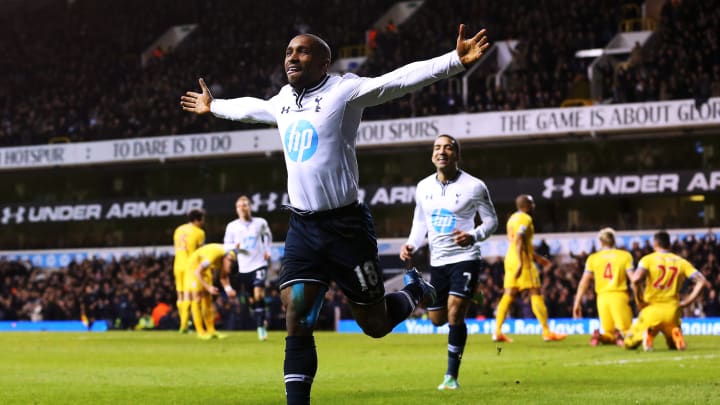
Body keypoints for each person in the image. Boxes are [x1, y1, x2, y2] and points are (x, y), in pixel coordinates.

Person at [181, 24, 490, 404]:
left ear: (324, 62)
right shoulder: (282, 100)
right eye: (290, 51)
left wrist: (453, 61)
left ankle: (414, 291)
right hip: (303, 227)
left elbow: (397, 81)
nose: (293, 57)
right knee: (296, 316)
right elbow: (252, 109)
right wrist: (216, 106)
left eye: (303, 52)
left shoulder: (344, 91)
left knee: (374, 325)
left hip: (347, 228)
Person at [399, 134, 497, 390]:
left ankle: (451, 376)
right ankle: (470, 295)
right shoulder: (423, 187)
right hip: (438, 261)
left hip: (465, 257)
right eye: (437, 147)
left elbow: (491, 221)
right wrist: (412, 244)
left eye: (447, 147)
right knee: (437, 320)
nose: (441, 151)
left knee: (455, 312)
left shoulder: (475, 186)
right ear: (432, 155)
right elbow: (420, 222)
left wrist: (473, 235)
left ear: (457, 154)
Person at [493, 195, 567, 343]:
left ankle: (497, 332)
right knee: (535, 292)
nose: (534, 206)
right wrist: (522, 263)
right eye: (532, 204)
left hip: (510, 258)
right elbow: (520, 239)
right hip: (522, 261)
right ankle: (547, 332)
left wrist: (538, 258)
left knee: (509, 294)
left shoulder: (512, 218)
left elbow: (518, 242)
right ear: (527, 206)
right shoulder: (525, 219)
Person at [624, 231, 710, 351]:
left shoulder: (648, 259)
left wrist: (639, 299)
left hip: (652, 309)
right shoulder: (681, 262)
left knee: (628, 342)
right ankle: (675, 333)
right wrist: (688, 302)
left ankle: (647, 334)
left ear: (655, 243)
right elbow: (702, 281)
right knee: (672, 345)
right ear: (669, 244)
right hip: (672, 311)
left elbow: (636, 279)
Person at [572, 227, 633, 346]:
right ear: (614, 240)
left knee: (609, 333)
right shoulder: (625, 256)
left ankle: (599, 336)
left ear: (600, 242)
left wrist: (577, 302)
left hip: (602, 298)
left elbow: (583, 282)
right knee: (627, 333)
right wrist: (638, 296)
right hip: (619, 296)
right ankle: (620, 336)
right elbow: (633, 280)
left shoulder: (593, 258)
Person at [224, 195, 273, 341]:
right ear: (236, 209)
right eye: (240, 206)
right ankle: (261, 319)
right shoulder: (232, 226)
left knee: (259, 294)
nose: (243, 208)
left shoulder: (260, 222)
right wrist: (234, 247)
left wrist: (267, 250)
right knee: (252, 300)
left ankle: (260, 328)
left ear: (250, 207)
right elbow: (226, 245)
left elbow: (268, 236)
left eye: (245, 205)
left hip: (259, 264)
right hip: (244, 268)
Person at [185, 243, 238, 340]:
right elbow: (197, 272)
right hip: (194, 266)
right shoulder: (214, 256)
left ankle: (211, 330)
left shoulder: (229, 259)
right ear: (227, 259)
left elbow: (223, 276)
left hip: (205, 270)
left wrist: (228, 289)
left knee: (208, 300)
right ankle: (200, 331)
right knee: (197, 297)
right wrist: (208, 287)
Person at [172, 208, 205, 333]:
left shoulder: (178, 229)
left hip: (177, 264)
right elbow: (200, 251)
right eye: (202, 219)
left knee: (180, 295)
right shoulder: (199, 232)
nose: (203, 222)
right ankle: (184, 325)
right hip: (189, 266)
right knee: (188, 295)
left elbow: (176, 247)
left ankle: (183, 323)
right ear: (197, 220)